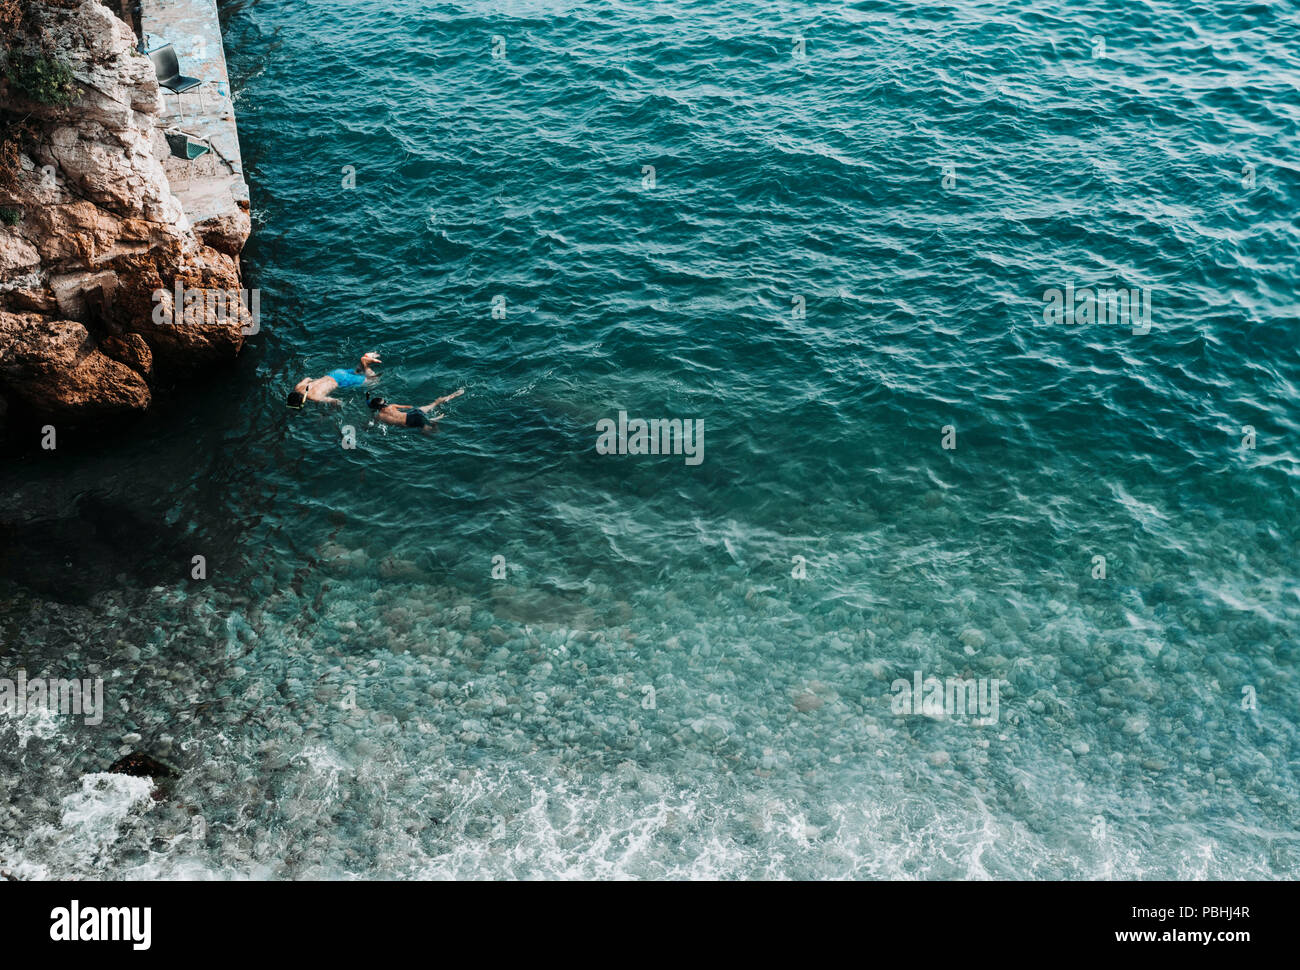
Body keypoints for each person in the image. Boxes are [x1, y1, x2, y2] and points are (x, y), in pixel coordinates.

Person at [286, 352, 381, 408]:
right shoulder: (298, 387)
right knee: (358, 372)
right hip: (335, 373)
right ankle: (364, 360)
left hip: (341, 380)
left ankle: (365, 362)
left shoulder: (314, 398)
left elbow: (336, 401)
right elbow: (308, 378)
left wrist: (338, 406)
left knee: (374, 381)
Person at [366, 388, 465, 432]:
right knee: (434, 404)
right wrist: (413, 409)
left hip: (410, 421)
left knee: (432, 432)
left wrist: (366, 427)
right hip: (414, 412)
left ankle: (434, 422)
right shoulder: (392, 406)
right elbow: (408, 407)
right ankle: (452, 396)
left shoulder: (379, 416)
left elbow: (372, 424)